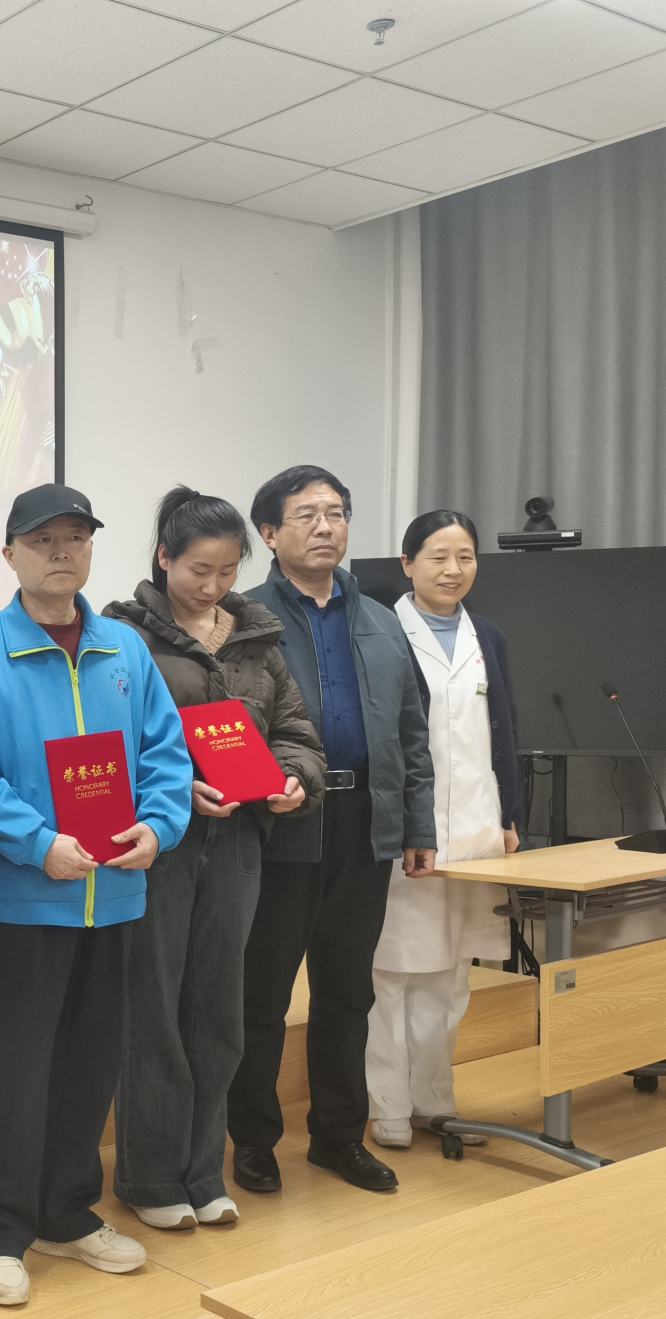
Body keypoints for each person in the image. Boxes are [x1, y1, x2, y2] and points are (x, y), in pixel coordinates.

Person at [0, 483, 192, 1309]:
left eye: (76, 538)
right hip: (24, 898)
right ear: (9, 553)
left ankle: (66, 1211)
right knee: (12, 1071)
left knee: (90, 1066)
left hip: (114, 895)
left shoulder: (125, 648)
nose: (61, 553)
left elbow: (165, 755)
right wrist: (38, 843)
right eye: (42, 540)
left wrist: (158, 826)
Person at [103, 487, 324, 1231]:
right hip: (158, 846)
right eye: (199, 570)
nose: (213, 586)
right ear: (164, 557)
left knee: (219, 1011)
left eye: (228, 571)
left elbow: (295, 732)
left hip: (239, 846)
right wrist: (173, 792)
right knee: (154, 1011)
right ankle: (149, 1175)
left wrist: (293, 780)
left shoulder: (257, 639)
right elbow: (104, 741)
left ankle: (202, 1171)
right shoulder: (124, 635)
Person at [225, 465, 435, 1199]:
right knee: (262, 996)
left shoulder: (381, 620)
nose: (326, 526)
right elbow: (226, 725)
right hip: (281, 823)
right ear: (269, 533)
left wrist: (417, 823)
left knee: (347, 993)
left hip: (365, 823)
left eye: (337, 512)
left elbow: (411, 732)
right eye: (307, 514)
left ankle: (338, 1137)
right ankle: (253, 1140)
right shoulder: (244, 617)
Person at [367, 511, 520, 1147]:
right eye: (438, 556)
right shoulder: (382, 631)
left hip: (479, 829)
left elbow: (505, 733)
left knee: (454, 969)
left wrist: (510, 816)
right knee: (396, 969)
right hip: (410, 829)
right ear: (407, 564)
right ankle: (388, 1104)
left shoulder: (489, 635)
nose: (453, 570)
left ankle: (436, 1099)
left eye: (465, 557)